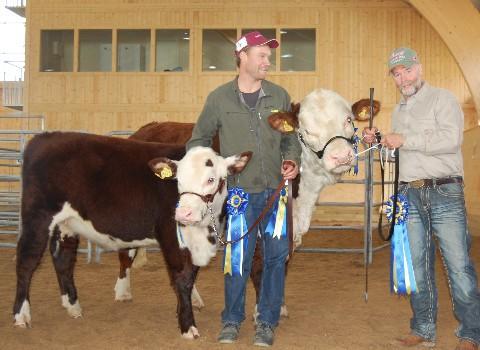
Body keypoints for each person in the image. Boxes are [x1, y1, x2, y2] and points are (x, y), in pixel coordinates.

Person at [186, 31, 301, 347]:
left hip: (276, 193)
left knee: (277, 258)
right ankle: (232, 321)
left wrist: (291, 159)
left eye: (269, 55)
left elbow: (291, 138)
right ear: (242, 57)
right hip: (238, 195)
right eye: (261, 55)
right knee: (237, 258)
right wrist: (214, 168)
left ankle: (266, 321)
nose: (268, 61)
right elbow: (198, 141)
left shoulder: (278, 96)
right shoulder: (219, 99)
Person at [364, 47, 480, 350]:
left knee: (457, 264)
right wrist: (381, 142)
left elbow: (451, 139)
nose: (403, 78)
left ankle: (471, 333)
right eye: (397, 74)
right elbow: (401, 151)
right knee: (415, 263)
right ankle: (423, 328)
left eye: (407, 70)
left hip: (444, 190)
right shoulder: (400, 109)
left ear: (419, 67)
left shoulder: (443, 98)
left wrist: (405, 139)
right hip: (409, 192)